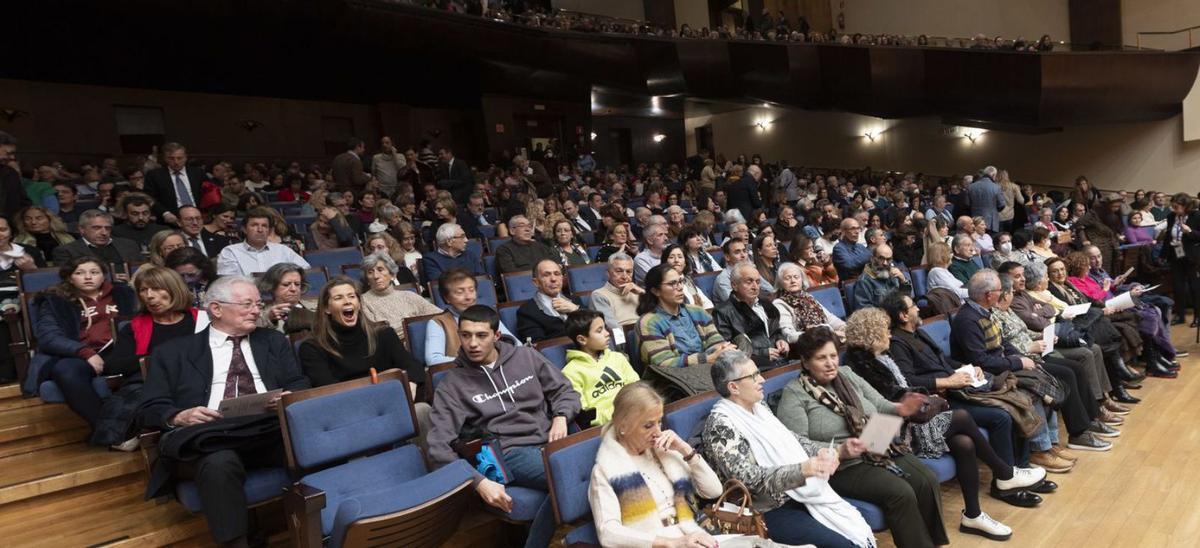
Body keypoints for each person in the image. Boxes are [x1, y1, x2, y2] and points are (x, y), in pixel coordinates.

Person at [137, 275, 310, 546]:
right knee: (219, 463)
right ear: (216, 309)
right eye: (246, 304)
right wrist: (179, 416)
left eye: (258, 303)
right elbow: (149, 406)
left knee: (314, 441)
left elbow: (298, 382)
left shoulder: (272, 341)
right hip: (209, 439)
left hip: (267, 429)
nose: (256, 310)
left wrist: (289, 397)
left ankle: (329, 529)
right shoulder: (173, 352)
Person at [842, 307, 1047, 524]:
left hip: (908, 419)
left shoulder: (881, 357)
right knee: (961, 417)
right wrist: (927, 399)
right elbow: (888, 403)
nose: (890, 335)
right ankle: (1005, 474)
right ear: (871, 334)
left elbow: (905, 391)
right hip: (889, 431)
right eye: (884, 330)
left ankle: (973, 515)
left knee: (964, 442)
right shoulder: (859, 365)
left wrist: (924, 399)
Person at [776, 328, 949, 548]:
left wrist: (902, 409)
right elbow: (796, 445)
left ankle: (934, 543)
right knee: (901, 492)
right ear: (805, 362)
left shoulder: (846, 373)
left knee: (927, 479)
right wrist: (840, 450)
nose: (830, 363)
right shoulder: (795, 394)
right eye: (821, 358)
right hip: (840, 465)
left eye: (833, 356)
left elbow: (879, 404)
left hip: (876, 442)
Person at [425, 305, 580, 548]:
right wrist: (479, 482)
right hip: (508, 451)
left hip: (550, 439)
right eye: (465, 335)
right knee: (576, 475)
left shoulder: (525, 356)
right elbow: (437, 448)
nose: (472, 343)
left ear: (496, 336)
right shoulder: (452, 385)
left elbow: (565, 391)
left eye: (481, 335)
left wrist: (561, 416)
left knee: (593, 466)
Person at [699, 350, 876, 547]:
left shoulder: (759, 407)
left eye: (759, 373)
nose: (762, 380)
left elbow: (792, 439)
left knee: (854, 532)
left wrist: (824, 452)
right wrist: (802, 470)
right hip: (765, 511)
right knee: (842, 545)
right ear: (733, 387)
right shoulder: (721, 425)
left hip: (798, 493)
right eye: (753, 376)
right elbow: (747, 479)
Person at [953, 270, 1113, 452]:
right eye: (1000, 290)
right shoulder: (968, 320)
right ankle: (1050, 445)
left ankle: (1058, 440)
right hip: (989, 375)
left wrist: (1021, 358)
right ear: (989, 295)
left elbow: (1002, 342)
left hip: (1005, 363)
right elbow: (981, 361)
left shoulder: (984, 311)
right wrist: (1020, 362)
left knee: (1063, 372)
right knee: (1058, 376)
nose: (1004, 293)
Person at [589, 381, 732, 548]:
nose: (657, 432)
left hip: (692, 533)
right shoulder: (606, 470)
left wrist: (685, 450)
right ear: (623, 427)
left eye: (659, 422)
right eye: (648, 425)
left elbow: (714, 491)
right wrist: (671, 543)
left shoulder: (662, 451)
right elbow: (608, 533)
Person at [99, 266, 203, 448]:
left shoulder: (200, 319)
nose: (149, 295)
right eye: (143, 290)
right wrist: (156, 358)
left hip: (197, 381)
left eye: (156, 288)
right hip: (153, 383)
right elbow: (113, 365)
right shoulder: (135, 326)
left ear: (174, 288)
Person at [27, 257, 137, 426]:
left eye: (94, 272)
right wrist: (85, 352)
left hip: (122, 349)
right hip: (80, 354)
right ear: (70, 278)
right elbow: (49, 336)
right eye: (80, 273)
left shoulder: (124, 293)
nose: (88, 277)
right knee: (64, 370)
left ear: (103, 276)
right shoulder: (55, 300)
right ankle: (109, 428)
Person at [298, 276, 417, 387]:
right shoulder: (312, 348)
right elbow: (329, 392)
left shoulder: (384, 334)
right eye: (338, 298)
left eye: (351, 296)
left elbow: (414, 369)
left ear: (359, 304)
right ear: (326, 308)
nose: (347, 301)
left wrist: (411, 383)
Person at [636, 264, 734, 393]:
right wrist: (707, 358)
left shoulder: (697, 311)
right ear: (656, 291)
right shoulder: (648, 322)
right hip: (674, 383)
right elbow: (664, 363)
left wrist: (721, 349)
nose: (680, 287)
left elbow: (715, 341)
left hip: (707, 371)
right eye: (672, 284)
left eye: (681, 282)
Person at [424, 268, 520, 366]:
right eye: (460, 292)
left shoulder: (486, 314)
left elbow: (517, 345)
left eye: (471, 290)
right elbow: (433, 360)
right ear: (446, 298)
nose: (469, 297)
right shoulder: (439, 322)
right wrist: (475, 360)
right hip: (463, 374)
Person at [562, 310, 639, 427]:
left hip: (637, 415)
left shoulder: (617, 357)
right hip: (607, 427)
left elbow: (637, 388)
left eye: (605, 328)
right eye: (599, 330)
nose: (607, 333)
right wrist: (621, 415)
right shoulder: (570, 372)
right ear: (582, 339)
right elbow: (586, 416)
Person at [714, 262, 789, 369]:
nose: (755, 287)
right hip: (754, 368)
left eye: (758, 282)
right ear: (734, 285)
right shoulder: (722, 312)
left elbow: (775, 330)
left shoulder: (766, 303)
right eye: (749, 282)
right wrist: (762, 353)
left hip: (781, 361)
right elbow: (728, 350)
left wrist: (781, 340)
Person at [359, 251, 440, 340]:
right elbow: (377, 334)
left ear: (393, 275)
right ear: (367, 280)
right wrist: (412, 324)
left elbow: (440, 315)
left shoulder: (409, 296)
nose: (376, 276)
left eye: (380, 269)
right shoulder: (363, 302)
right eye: (370, 272)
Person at [216, 208, 310, 276]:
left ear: (269, 230)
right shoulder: (231, 252)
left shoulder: (283, 250)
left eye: (264, 226)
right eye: (254, 225)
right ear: (244, 229)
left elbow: (306, 269)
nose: (260, 230)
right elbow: (228, 282)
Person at [516, 259, 581, 343]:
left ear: (562, 278)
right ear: (536, 282)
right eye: (546, 275)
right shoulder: (527, 311)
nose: (553, 279)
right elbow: (539, 346)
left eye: (557, 274)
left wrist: (577, 310)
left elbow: (596, 326)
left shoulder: (575, 300)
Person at [143, 142, 208, 225]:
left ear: (185, 158)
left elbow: (209, 193)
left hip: (198, 217)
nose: (176, 162)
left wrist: (207, 212)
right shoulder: (154, 175)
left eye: (179, 158)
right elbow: (149, 197)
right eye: (171, 158)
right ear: (165, 159)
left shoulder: (198, 173)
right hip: (170, 219)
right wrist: (165, 213)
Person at [52, 209, 141, 268]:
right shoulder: (66, 251)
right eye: (96, 228)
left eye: (107, 228)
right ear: (81, 229)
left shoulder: (129, 245)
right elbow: (66, 278)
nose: (104, 233)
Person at [1163, 192, 1200, 326]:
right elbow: (1168, 236)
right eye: (1173, 206)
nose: (1174, 209)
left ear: (1186, 206)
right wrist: (1163, 255)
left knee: (1194, 286)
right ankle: (1180, 315)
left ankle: (1198, 316)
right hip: (1175, 254)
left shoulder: (1197, 216)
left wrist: (1190, 232)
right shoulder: (1171, 216)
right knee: (1178, 286)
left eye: (1177, 206)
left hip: (1191, 256)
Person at [254, 263, 316, 335]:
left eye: (297, 284)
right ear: (272, 286)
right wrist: (270, 318)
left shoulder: (316, 306)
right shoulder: (260, 313)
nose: (293, 289)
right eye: (286, 284)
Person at [588, 252, 643, 332]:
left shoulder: (637, 291)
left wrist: (642, 293)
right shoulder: (599, 295)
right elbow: (614, 329)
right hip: (625, 337)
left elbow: (657, 315)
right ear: (608, 273)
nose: (624, 276)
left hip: (647, 332)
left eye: (628, 271)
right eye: (619, 271)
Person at [849, 244, 911, 311]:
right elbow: (864, 310)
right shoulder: (864, 281)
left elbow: (906, 298)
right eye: (881, 258)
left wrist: (903, 281)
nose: (885, 263)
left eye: (888, 259)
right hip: (882, 318)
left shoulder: (894, 274)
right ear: (872, 259)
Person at [662, 243, 713, 309]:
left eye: (680, 257)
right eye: (671, 257)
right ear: (665, 262)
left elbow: (708, 305)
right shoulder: (663, 284)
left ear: (685, 263)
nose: (676, 260)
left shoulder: (688, 280)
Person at [966, 166, 1005, 233]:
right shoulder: (996, 187)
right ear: (993, 175)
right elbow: (1001, 205)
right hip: (991, 223)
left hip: (975, 221)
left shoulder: (971, 187)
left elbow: (967, 204)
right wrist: (993, 210)